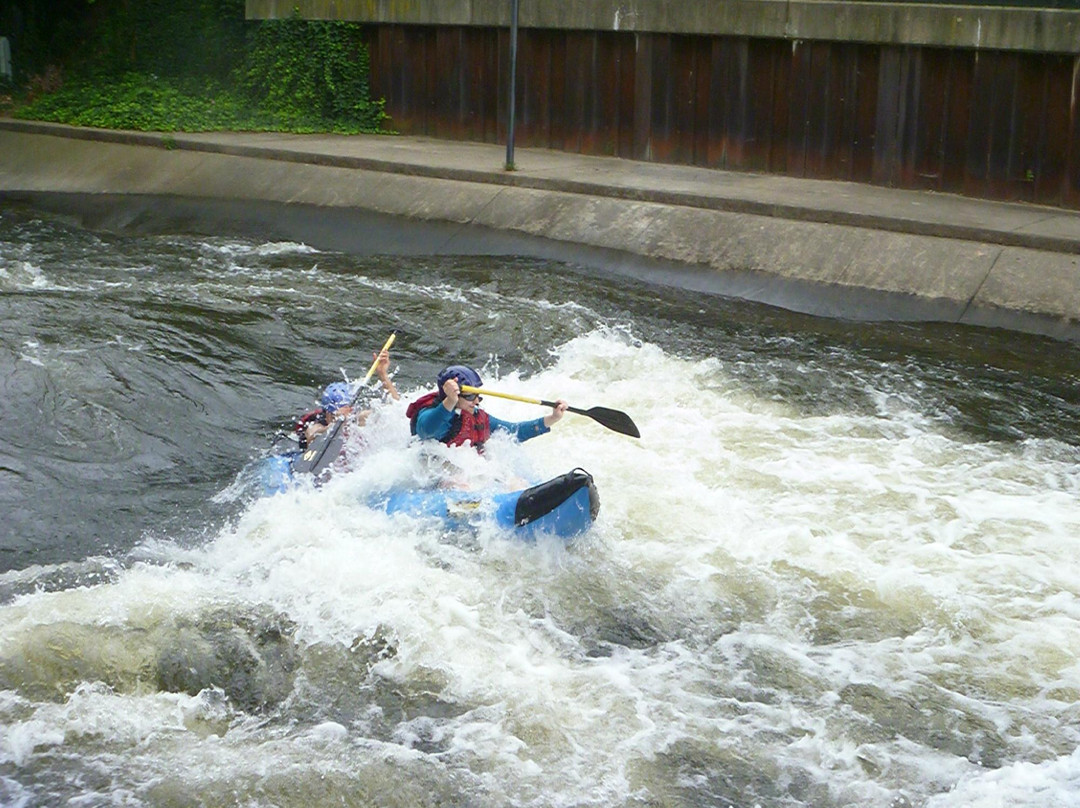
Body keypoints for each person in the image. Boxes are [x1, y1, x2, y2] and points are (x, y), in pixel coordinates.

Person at [406, 364, 567, 452]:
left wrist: (553, 418)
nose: (476, 401)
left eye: (477, 396)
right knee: (457, 477)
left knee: (513, 481)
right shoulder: (429, 414)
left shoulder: (477, 416)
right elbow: (428, 430)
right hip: (434, 472)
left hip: (469, 469)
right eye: (470, 396)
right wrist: (450, 400)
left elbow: (514, 431)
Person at [294, 347, 399, 451]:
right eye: (335, 414)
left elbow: (394, 410)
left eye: (347, 411)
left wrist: (383, 374)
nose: (346, 416)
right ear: (327, 413)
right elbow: (312, 434)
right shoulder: (318, 423)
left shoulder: (356, 418)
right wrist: (335, 423)